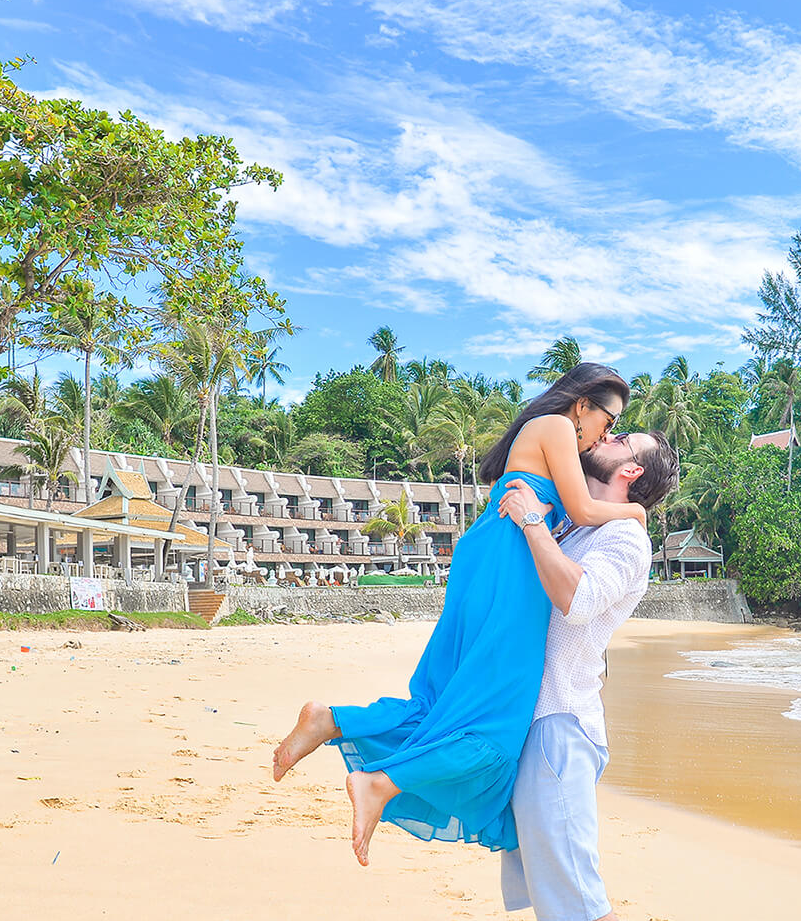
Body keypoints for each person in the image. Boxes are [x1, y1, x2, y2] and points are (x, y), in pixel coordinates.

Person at [271, 364, 649, 865]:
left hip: (491, 560)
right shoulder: (558, 427)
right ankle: (378, 783)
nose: (608, 431)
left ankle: (332, 721)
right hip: (510, 566)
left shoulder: (547, 435)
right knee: (494, 725)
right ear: (583, 405)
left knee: (443, 703)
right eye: (609, 418)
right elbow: (581, 511)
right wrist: (637, 513)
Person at [495, 429, 678, 921]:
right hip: (533, 721)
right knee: (549, 883)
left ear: (629, 469)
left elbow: (575, 599)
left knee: (578, 882)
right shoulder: (583, 523)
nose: (599, 435)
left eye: (619, 436)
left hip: (563, 726)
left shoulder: (625, 540)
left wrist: (537, 527)